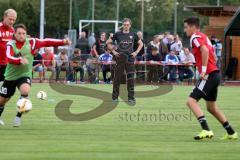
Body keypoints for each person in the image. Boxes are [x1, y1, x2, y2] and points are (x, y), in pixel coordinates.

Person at [0, 24, 71, 127]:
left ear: (26, 34)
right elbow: (8, 57)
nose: (21, 35)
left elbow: (47, 41)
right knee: (2, 100)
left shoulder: (32, 42)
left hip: (24, 75)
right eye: (19, 33)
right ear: (14, 34)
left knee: (25, 91)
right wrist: (19, 60)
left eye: (23, 33)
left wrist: (63, 42)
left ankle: (18, 117)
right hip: (10, 76)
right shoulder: (10, 45)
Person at [184, 16, 238, 140]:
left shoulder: (195, 37)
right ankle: (231, 132)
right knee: (211, 107)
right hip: (215, 74)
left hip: (208, 74)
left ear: (193, 27)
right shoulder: (204, 36)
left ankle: (206, 130)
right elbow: (211, 53)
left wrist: (203, 70)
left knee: (191, 101)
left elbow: (204, 50)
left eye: (186, 27)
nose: (185, 30)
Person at [106, 18, 143, 105]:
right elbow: (108, 42)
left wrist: (136, 52)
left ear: (130, 25)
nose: (126, 26)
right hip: (120, 58)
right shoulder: (118, 34)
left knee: (130, 79)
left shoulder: (133, 34)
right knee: (117, 79)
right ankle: (114, 98)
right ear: (122, 25)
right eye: (124, 24)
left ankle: (131, 99)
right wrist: (114, 52)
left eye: (127, 24)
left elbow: (141, 44)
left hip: (130, 58)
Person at [0, 9, 17, 82]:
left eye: (14, 20)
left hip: (7, 65)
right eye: (10, 19)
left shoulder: (13, 30)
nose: (12, 22)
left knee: (4, 89)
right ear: (4, 17)